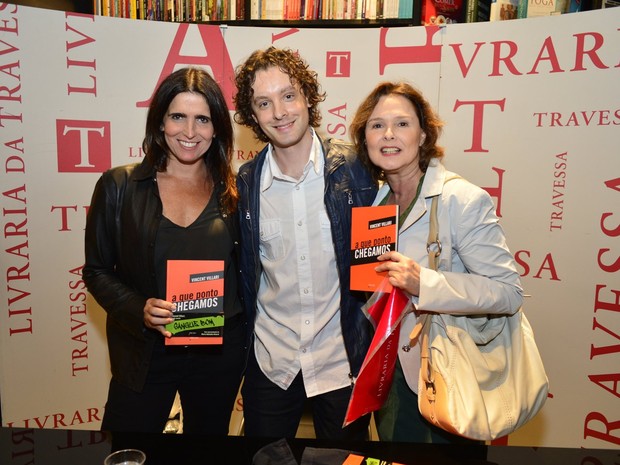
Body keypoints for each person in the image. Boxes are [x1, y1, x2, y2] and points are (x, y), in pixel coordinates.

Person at [349, 81, 524, 443]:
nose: (388, 135)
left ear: (424, 135)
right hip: (389, 375)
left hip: (447, 374)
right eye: (377, 125)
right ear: (365, 138)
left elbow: (508, 293)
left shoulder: (461, 199)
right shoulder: (375, 203)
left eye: (402, 124)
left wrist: (424, 283)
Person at [83, 67, 245, 435]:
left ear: (217, 127)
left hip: (218, 353)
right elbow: (96, 271)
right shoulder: (119, 186)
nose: (190, 132)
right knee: (127, 450)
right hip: (145, 351)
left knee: (207, 453)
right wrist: (138, 308)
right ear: (160, 122)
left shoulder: (236, 191)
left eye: (202, 119)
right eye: (178, 117)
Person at [233, 47, 377, 440]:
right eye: (264, 102)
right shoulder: (245, 185)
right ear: (253, 116)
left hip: (340, 359)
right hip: (272, 359)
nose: (279, 112)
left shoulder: (357, 171)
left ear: (309, 97)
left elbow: (375, 269)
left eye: (289, 96)